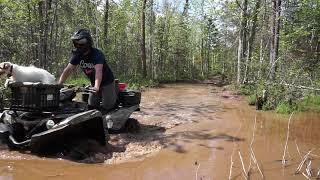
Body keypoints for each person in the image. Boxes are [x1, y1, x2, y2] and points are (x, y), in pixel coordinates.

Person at [58, 29, 117, 111]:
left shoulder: (97, 54)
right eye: (76, 42)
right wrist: (59, 84)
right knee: (91, 105)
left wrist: (96, 87)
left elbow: (98, 71)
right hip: (94, 83)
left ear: (88, 42)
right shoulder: (77, 55)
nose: (78, 45)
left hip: (107, 82)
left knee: (107, 106)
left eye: (81, 42)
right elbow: (68, 70)